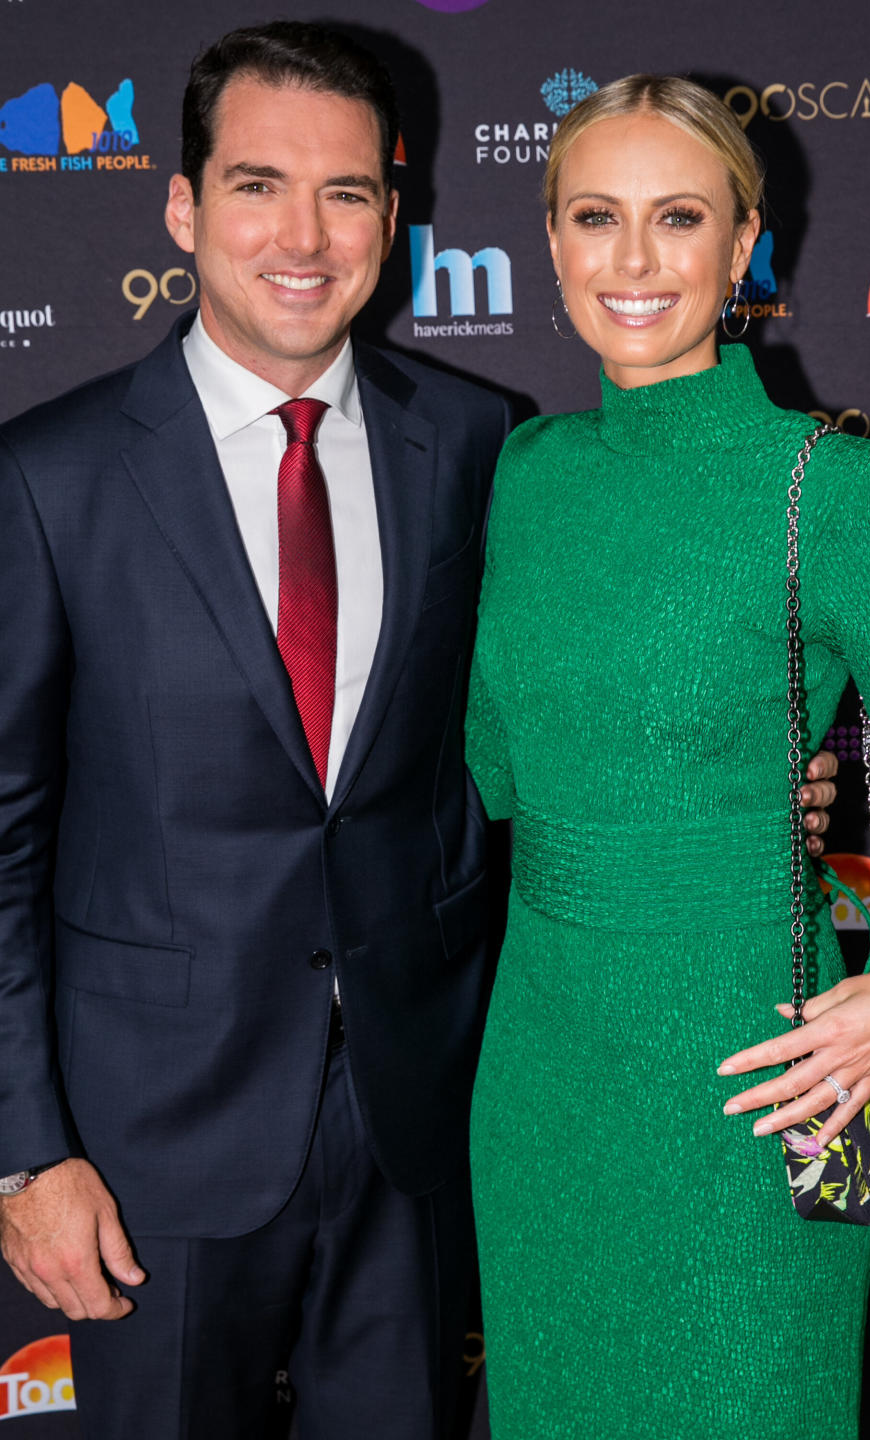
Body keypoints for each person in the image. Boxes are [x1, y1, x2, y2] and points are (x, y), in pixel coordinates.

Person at [0, 21, 511, 1440]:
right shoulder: (47, 481)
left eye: (347, 191)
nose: (305, 233)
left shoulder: (476, 443)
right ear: (182, 206)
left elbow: (506, 757)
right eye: (256, 184)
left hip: (417, 1121)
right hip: (151, 1141)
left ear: (394, 217)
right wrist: (22, 1155)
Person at [465, 74, 870, 1440]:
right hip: (543, 1078)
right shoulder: (525, 474)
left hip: (754, 1079)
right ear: (549, 241)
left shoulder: (842, 490)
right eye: (595, 218)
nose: (633, 262)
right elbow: (495, 775)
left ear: (746, 243)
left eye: (677, 218)